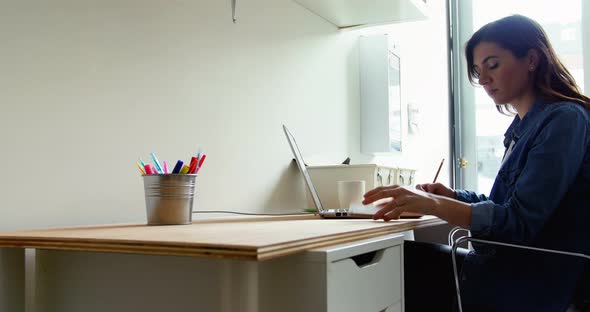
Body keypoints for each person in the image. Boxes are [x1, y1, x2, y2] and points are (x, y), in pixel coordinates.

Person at [362, 14, 590, 312]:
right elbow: (507, 205)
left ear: (532, 59)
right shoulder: (523, 130)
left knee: (399, 264)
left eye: (492, 65)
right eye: (477, 70)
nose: (483, 79)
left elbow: (519, 223)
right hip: (509, 270)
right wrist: (453, 196)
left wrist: (434, 206)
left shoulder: (564, 120)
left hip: (530, 283)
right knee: (402, 260)